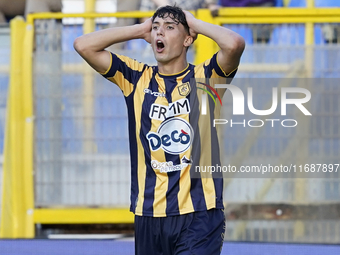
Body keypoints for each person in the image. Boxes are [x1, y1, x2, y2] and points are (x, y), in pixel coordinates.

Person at [74, 5, 244, 255]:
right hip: (149, 215)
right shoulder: (135, 77)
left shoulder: (206, 77)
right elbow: (83, 45)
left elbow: (234, 44)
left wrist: (194, 23)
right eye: (156, 28)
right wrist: (140, 29)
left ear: (188, 39)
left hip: (199, 214)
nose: (159, 33)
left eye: (169, 27)